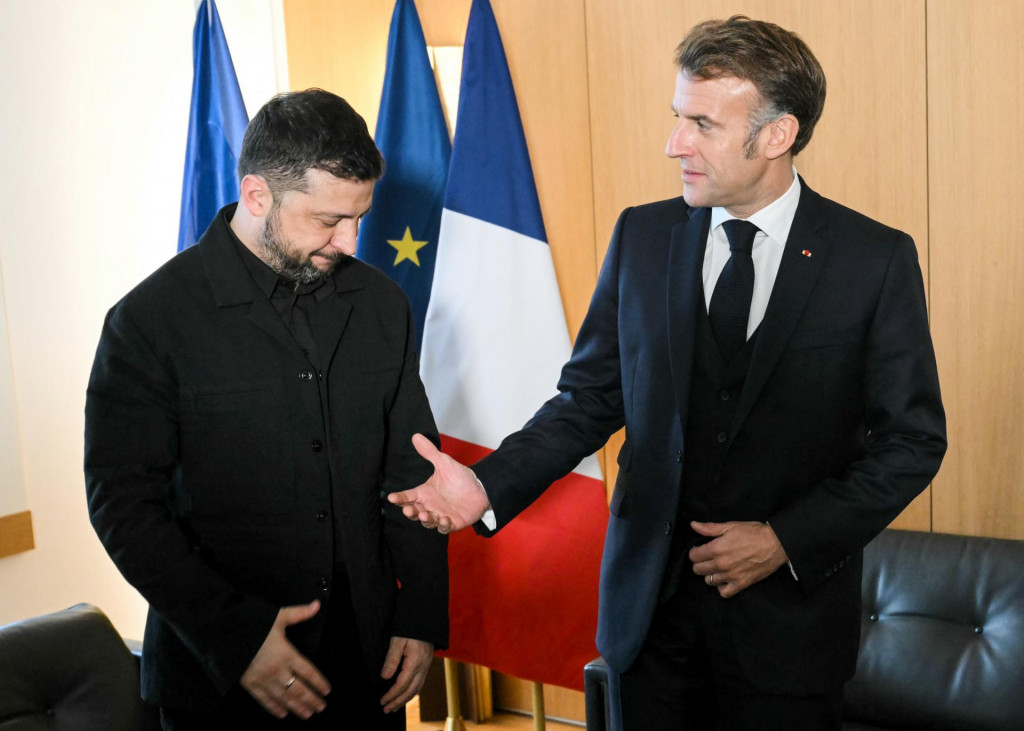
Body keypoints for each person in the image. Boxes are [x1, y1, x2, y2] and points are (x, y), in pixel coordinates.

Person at [389, 16, 945, 731]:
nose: (673, 143)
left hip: (787, 640)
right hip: (646, 625)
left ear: (777, 135)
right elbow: (589, 400)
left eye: (702, 124)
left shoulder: (873, 260)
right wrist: (486, 486)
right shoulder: (641, 236)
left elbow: (912, 442)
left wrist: (784, 537)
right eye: (678, 117)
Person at [85, 89, 447, 730]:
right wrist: (236, 635)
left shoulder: (384, 306)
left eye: (359, 217)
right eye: (328, 220)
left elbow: (412, 472)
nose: (350, 240)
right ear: (257, 196)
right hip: (220, 677)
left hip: (365, 665)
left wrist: (417, 616)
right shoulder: (148, 321)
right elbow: (123, 505)